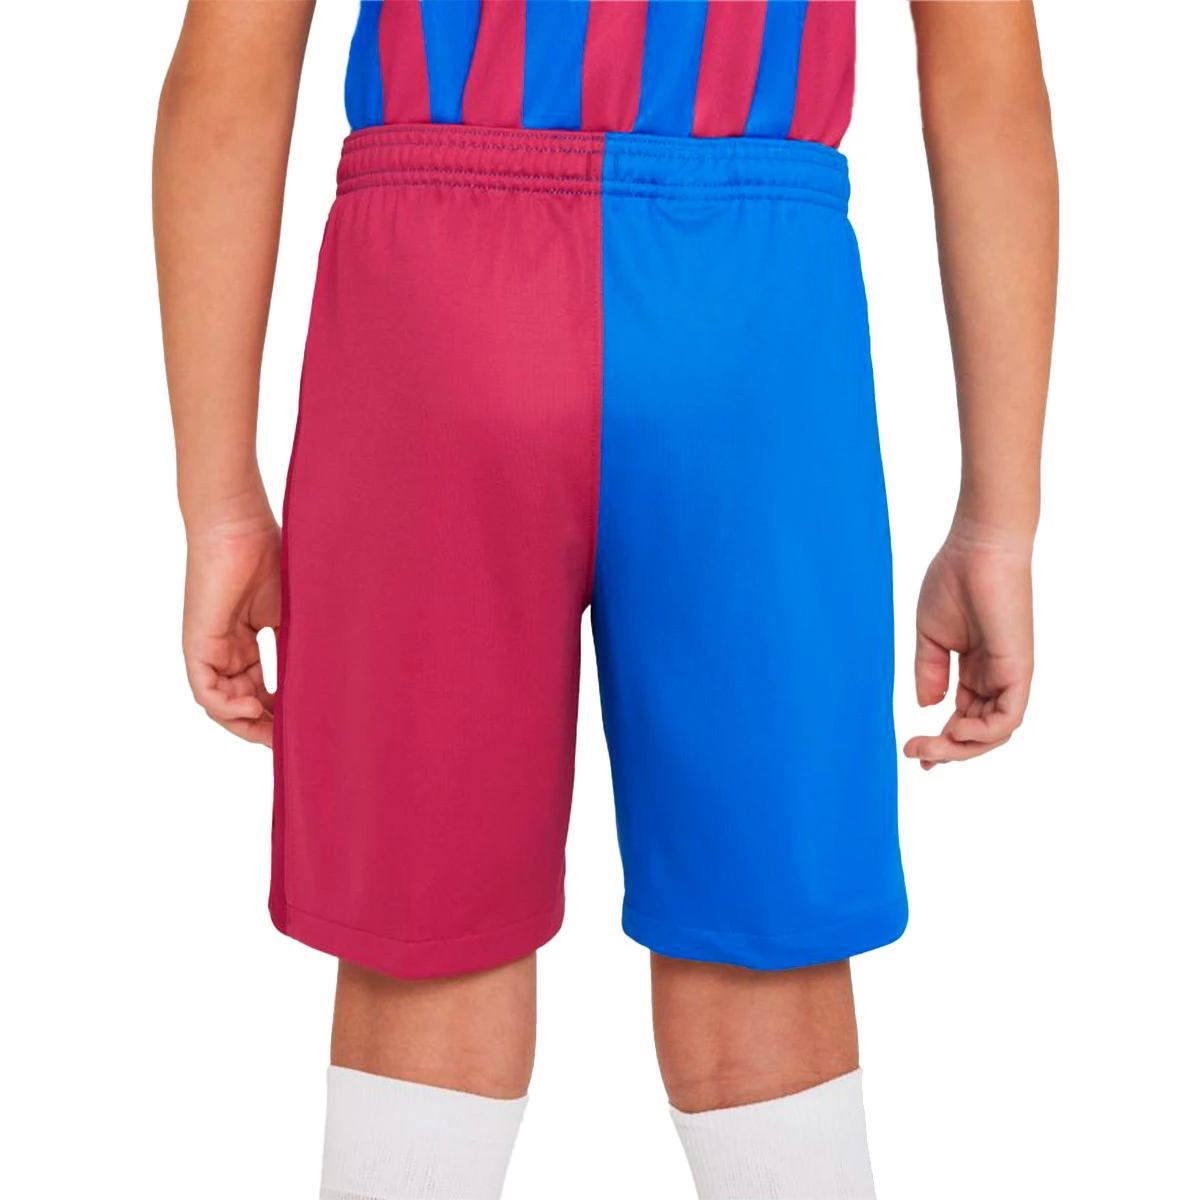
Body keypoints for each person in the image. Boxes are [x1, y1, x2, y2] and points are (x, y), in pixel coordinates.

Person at [154, 2, 1056, 1197]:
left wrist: (220, 504)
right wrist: (998, 522)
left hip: (430, 299)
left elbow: (231, 76)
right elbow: (989, 85)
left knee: (428, 950)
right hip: (753, 308)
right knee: (762, 956)